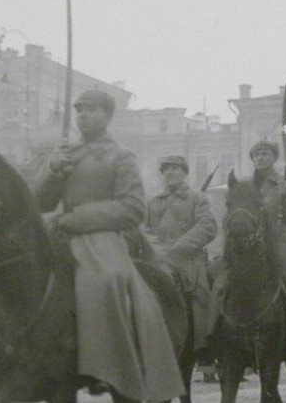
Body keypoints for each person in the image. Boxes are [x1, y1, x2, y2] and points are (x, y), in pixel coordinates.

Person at [36, 88, 184, 402]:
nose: (83, 116)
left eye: (92, 110)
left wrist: (77, 218)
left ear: (107, 115)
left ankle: (108, 366)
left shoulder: (122, 156)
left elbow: (133, 208)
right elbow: (41, 201)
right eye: (79, 110)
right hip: (60, 235)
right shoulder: (66, 153)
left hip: (101, 238)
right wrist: (52, 169)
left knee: (104, 280)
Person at [207, 140, 286, 367]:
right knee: (219, 280)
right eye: (256, 155)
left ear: (274, 158)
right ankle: (212, 337)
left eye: (265, 154)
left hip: (280, 243)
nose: (260, 158)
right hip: (247, 246)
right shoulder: (245, 185)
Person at [145, 155, 218, 360]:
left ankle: (204, 346)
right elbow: (141, 231)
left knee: (202, 297)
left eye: (175, 168)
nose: (169, 172)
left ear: (185, 172)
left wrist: (180, 246)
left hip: (187, 259)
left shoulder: (198, 198)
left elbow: (208, 226)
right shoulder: (151, 203)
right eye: (166, 169)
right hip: (156, 259)